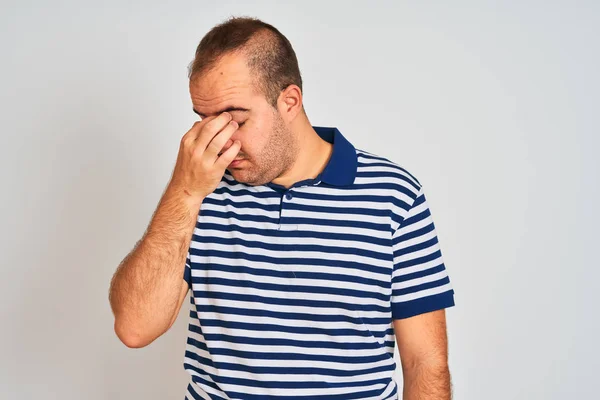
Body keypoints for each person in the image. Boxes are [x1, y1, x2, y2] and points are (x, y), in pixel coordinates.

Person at [109, 16, 456, 400]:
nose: (220, 143)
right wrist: (184, 193)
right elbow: (135, 327)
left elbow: (425, 362)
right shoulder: (197, 192)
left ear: (290, 101)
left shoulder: (393, 194)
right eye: (205, 122)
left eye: (235, 120)